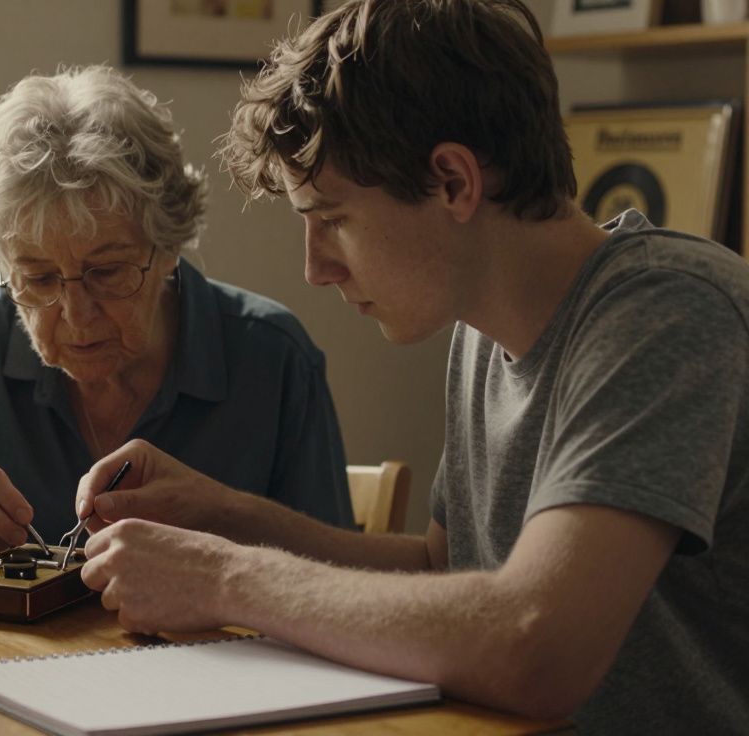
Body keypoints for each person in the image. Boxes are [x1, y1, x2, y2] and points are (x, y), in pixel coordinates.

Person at [74, 1, 749, 732]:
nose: (315, 268)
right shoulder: (481, 336)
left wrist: (221, 578)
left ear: (454, 182)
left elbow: (536, 645)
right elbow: (445, 577)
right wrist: (220, 515)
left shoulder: (670, 311)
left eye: (331, 219)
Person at [0, 65, 353, 566]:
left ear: (167, 249)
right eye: (37, 279)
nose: (77, 317)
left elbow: (342, 578)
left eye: (107, 272)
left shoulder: (271, 357)